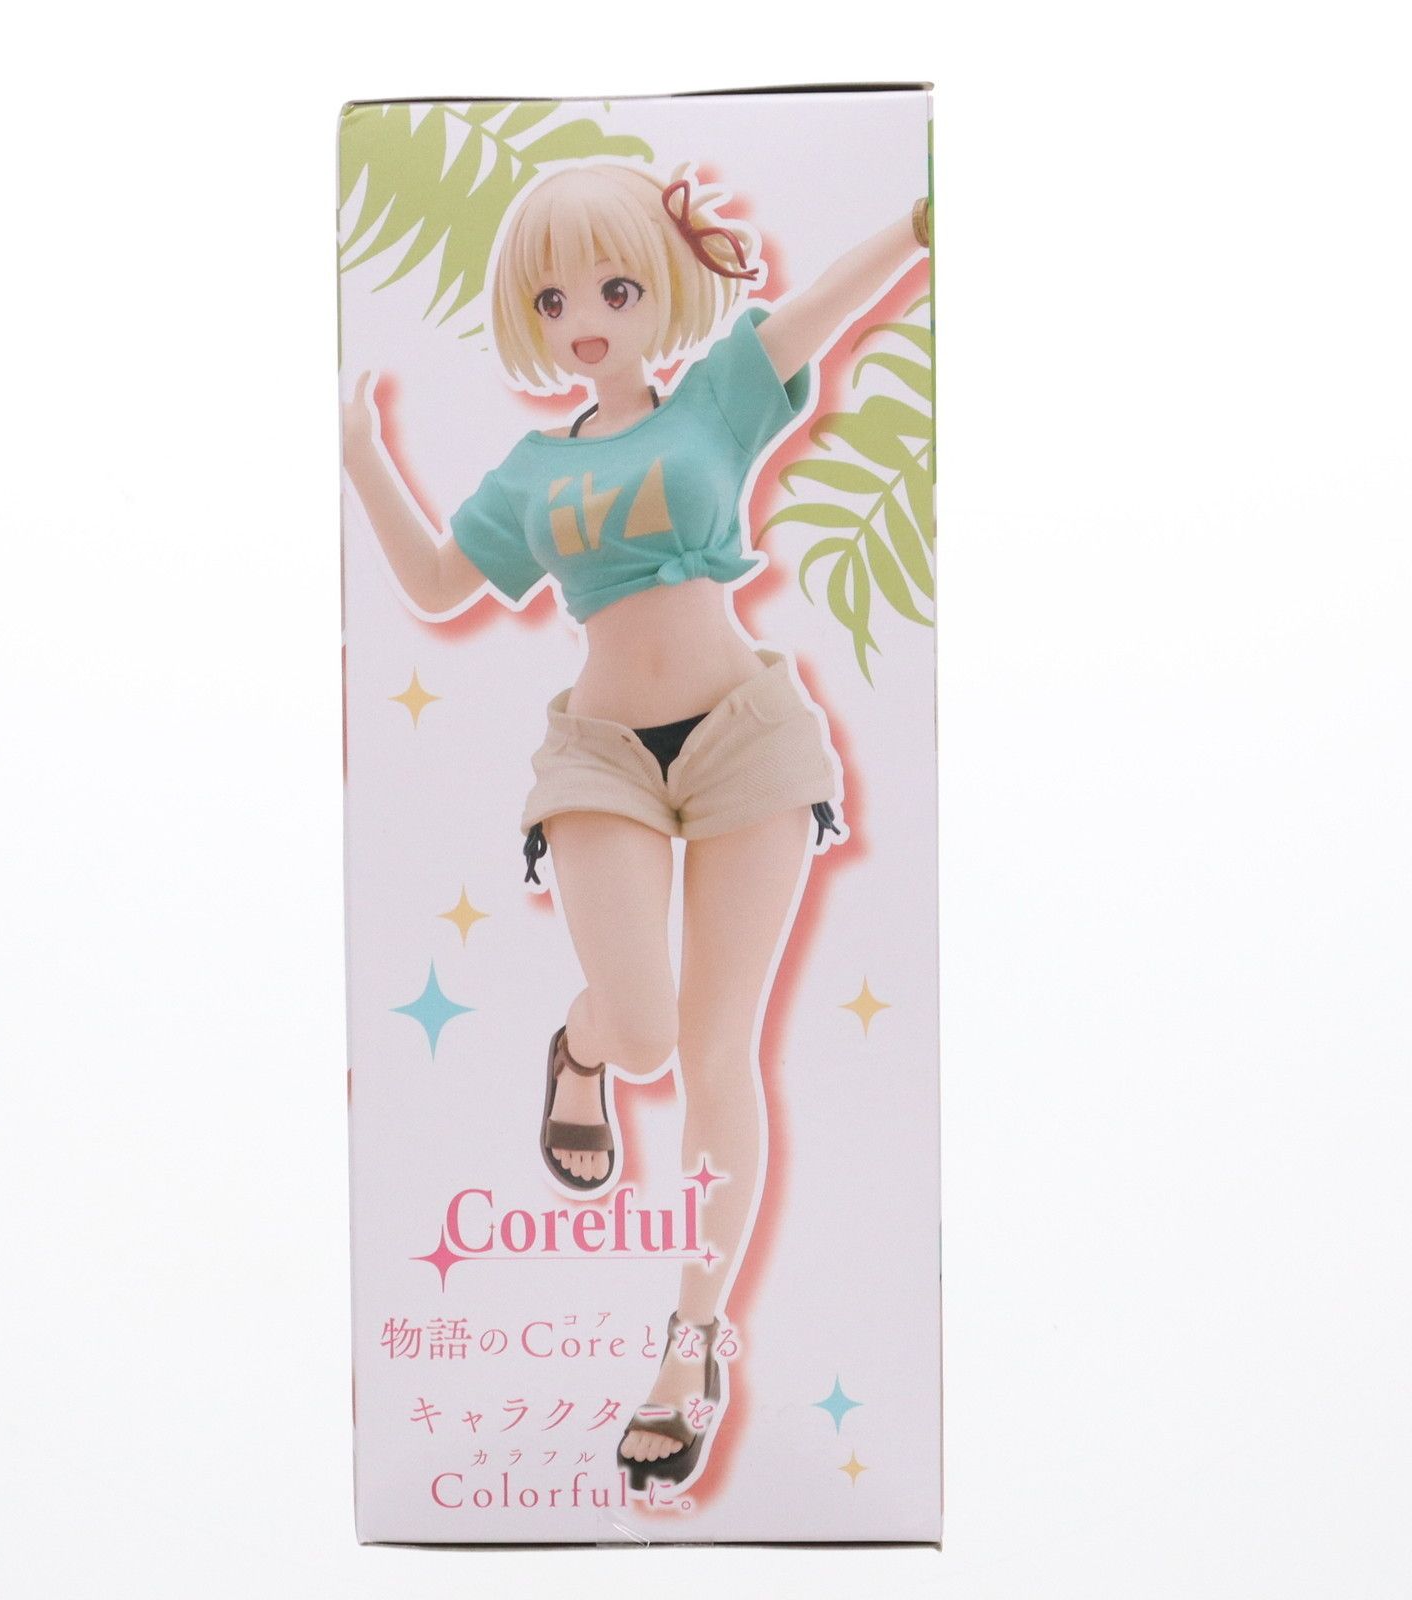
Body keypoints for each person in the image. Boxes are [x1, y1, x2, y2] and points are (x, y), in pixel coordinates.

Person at [341, 159, 930, 1490]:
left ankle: (692, 1344)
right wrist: (362, 455)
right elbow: (438, 583)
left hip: (746, 741)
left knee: (719, 1053)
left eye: (615, 287)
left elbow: (828, 309)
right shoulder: (530, 472)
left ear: (660, 284)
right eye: (554, 299)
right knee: (647, 1031)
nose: (587, 319)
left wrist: (915, 223)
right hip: (602, 754)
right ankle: (585, 1047)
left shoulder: (721, 394)